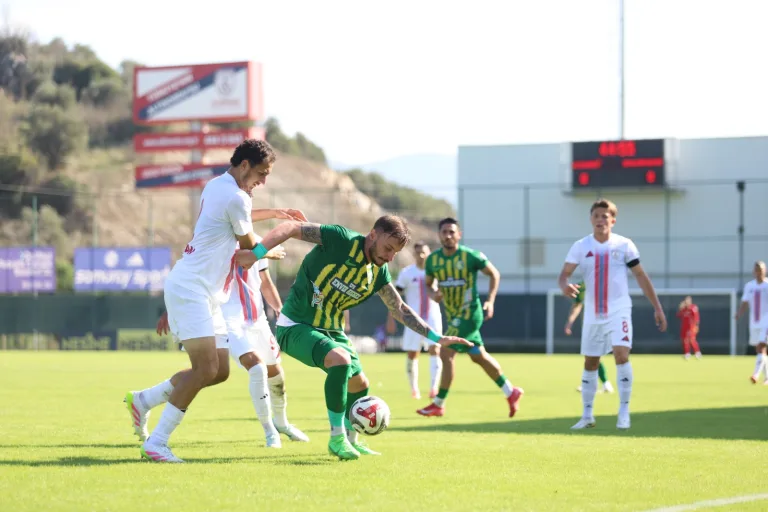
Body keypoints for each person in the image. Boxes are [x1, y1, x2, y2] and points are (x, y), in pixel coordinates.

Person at [234, 215, 474, 461]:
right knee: (340, 361)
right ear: (373, 235)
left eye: (395, 252)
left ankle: (351, 440)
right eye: (388, 248)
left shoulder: (377, 273)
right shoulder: (340, 239)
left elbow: (399, 309)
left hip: (333, 331)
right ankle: (336, 438)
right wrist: (257, 254)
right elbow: (290, 227)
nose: (390, 257)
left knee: (359, 384)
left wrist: (437, 337)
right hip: (296, 325)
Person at [124, 139, 281, 463]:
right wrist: (280, 240)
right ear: (245, 165)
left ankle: (143, 400)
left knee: (218, 371)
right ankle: (157, 443)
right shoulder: (236, 196)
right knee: (205, 367)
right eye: (262, 174)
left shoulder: (217, 185)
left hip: (206, 292)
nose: (263, 181)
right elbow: (249, 252)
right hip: (192, 288)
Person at [559, 198, 667, 431]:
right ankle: (587, 415)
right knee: (591, 361)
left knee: (621, 354)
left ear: (613, 220)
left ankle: (624, 412)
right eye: (596, 216)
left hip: (619, 310)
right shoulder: (580, 246)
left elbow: (640, 276)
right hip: (593, 314)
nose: (600, 220)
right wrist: (564, 285)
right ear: (591, 219)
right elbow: (564, 275)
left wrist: (657, 307)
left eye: (605, 216)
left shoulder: (624, 245)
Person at [416, 218, 524, 418]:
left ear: (459, 235)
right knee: (478, 356)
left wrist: (490, 301)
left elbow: (494, 274)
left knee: (446, 353)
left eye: (451, 232)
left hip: (470, 313)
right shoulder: (433, 261)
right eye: (444, 232)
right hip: (453, 314)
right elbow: (429, 285)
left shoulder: (470, 256)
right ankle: (511, 392)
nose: (448, 235)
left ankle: (438, 403)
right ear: (439, 235)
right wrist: (433, 295)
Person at [220, 237, 310, 448]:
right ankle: (270, 431)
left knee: (276, 374)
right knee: (257, 369)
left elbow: (265, 282)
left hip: (257, 318)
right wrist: (266, 251)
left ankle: (282, 423)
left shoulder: (258, 240)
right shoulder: (220, 240)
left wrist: (279, 310)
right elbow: (240, 258)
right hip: (230, 319)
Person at [389, 242, 443, 399]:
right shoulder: (406, 273)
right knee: (413, 353)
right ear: (414, 254)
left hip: (433, 318)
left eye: (423, 252)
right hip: (413, 319)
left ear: (429, 253)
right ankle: (414, 389)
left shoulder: (436, 273)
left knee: (435, 349)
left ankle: (433, 388)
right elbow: (394, 298)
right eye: (417, 252)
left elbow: (441, 294)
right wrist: (392, 318)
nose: (421, 255)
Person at [565, 281, 614, 393]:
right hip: (590, 326)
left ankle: (595, 384)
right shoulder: (582, 286)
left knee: (592, 355)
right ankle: (602, 384)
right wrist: (570, 322)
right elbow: (577, 305)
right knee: (591, 355)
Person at [735, 261, 768, 384]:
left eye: (761, 269)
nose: (759, 272)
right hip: (754, 321)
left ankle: (755, 375)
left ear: (765, 270)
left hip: (766, 321)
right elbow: (745, 302)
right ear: (754, 271)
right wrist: (739, 313)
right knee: (760, 350)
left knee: (761, 346)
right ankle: (767, 378)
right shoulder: (749, 286)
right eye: (757, 269)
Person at [676, 296, 702, 360]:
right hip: (684, 327)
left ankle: (697, 353)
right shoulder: (684, 309)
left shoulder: (693, 308)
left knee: (692, 340)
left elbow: (696, 318)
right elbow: (678, 315)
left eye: (688, 300)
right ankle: (687, 353)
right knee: (684, 340)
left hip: (691, 327)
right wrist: (680, 308)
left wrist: (696, 326)